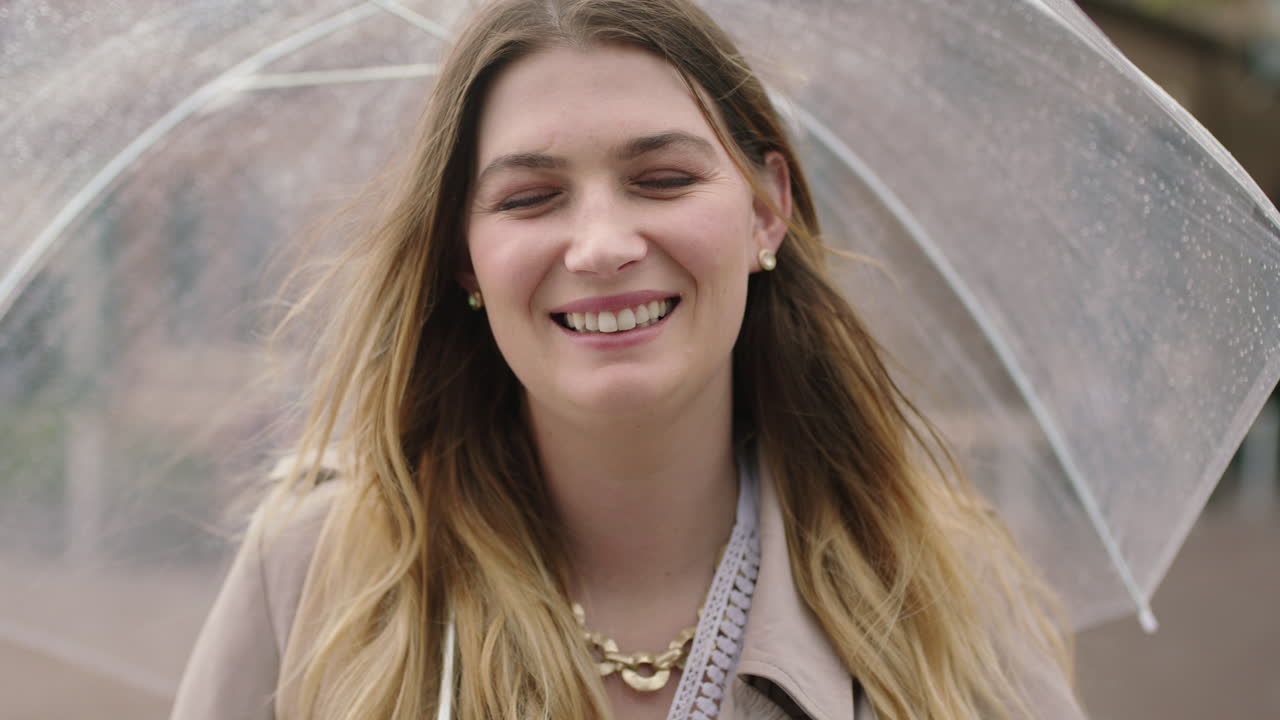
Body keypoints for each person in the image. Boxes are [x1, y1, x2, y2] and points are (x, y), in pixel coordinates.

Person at [171, 1, 1085, 718]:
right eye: (531, 198)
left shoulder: (942, 598)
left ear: (767, 209)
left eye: (665, 179)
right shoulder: (308, 576)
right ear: (463, 255)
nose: (602, 245)